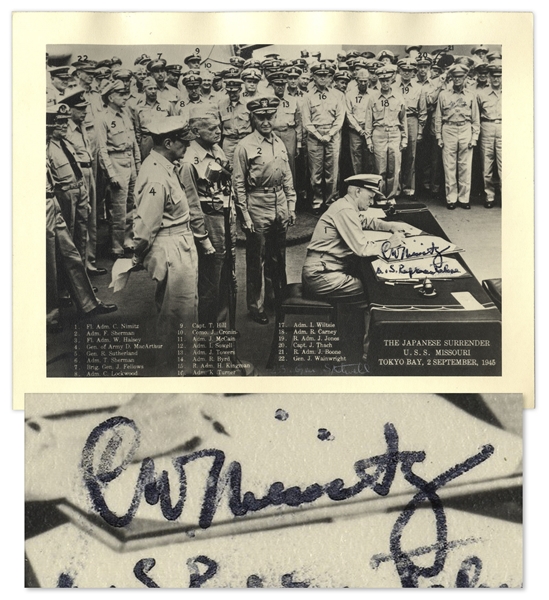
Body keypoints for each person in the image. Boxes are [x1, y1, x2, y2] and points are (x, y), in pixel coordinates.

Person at [302, 174, 419, 360]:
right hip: (321, 276)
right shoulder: (344, 211)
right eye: (370, 196)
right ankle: (369, 354)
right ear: (357, 191)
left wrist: (389, 226)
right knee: (373, 294)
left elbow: (365, 221)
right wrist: (390, 243)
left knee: (369, 282)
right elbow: (362, 248)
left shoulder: (346, 206)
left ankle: (358, 342)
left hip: (326, 269)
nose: (372, 201)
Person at [132, 116, 198, 376]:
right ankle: (176, 372)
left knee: (182, 310)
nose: (187, 146)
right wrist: (135, 255)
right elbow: (147, 224)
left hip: (178, 241)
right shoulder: (157, 175)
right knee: (177, 314)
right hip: (171, 246)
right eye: (183, 142)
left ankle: (179, 366)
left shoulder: (164, 165)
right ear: (168, 142)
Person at [233, 96, 297, 325]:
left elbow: (287, 175)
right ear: (253, 118)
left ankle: (276, 299)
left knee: (278, 256)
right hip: (257, 201)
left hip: (279, 200)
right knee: (256, 258)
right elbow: (238, 184)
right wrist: (245, 215)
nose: (266, 122)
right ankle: (256, 306)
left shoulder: (279, 142)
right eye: (261, 117)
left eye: (270, 117)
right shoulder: (244, 146)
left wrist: (291, 204)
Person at [179, 106, 237, 327]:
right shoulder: (188, 160)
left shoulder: (216, 150)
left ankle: (221, 325)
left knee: (225, 275)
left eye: (219, 127)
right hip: (208, 222)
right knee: (210, 280)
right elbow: (191, 204)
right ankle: (206, 331)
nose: (218, 132)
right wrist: (202, 238)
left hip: (224, 218)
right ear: (195, 131)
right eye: (212, 129)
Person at [62, 88, 106, 277]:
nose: (84, 113)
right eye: (80, 109)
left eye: (85, 109)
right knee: (79, 222)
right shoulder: (66, 129)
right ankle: (79, 268)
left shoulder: (82, 126)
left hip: (89, 171)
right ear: (69, 110)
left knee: (91, 219)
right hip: (77, 175)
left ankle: (89, 262)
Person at [96, 79, 141, 257]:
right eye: (121, 94)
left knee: (132, 204)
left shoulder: (125, 114)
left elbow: (133, 142)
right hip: (116, 162)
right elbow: (102, 149)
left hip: (129, 161)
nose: (124, 97)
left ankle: (128, 240)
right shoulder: (103, 118)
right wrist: (111, 173)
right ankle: (116, 247)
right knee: (118, 208)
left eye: (125, 94)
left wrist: (137, 165)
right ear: (110, 97)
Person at [46, 104, 90, 264]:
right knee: (68, 239)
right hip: (64, 196)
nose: (64, 126)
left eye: (66, 122)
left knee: (81, 235)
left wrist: (86, 195)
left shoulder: (68, 144)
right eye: (59, 123)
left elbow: (78, 171)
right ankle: (67, 281)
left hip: (80, 193)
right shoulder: (48, 149)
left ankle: (82, 276)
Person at [301, 61, 346, 214]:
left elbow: (340, 118)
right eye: (319, 75)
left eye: (326, 76)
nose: (322, 79)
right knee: (315, 174)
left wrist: (329, 134)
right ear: (313, 77)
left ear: (330, 78)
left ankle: (330, 201)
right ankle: (317, 201)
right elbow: (306, 121)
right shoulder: (307, 97)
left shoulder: (337, 95)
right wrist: (320, 135)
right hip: (315, 137)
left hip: (332, 135)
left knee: (332, 173)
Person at [435, 63, 480, 209]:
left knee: (465, 166)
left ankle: (464, 199)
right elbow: (438, 117)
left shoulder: (471, 95)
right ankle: (451, 199)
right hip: (449, 129)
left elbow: (475, 119)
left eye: (461, 77)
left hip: (465, 129)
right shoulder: (444, 95)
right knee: (449, 165)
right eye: (455, 77)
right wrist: (439, 137)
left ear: (466, 77)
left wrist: (474, 137)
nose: (458, 80)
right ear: (451, 78)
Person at [365, 66, 408, 200]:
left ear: (392, 80)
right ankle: (381, 197)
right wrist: (368, 140)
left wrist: (404, 138)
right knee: (380, 168)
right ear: (379, 80)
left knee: (394, 169)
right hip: (379, 134)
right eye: (382, 80)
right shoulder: (373, 98)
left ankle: (391, 197)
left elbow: (403, 119)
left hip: (394, 134)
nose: (385, 83)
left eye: (387, 80)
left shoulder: (399, 97)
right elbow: (368, 120)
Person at [397, 58, 427, 199]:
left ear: (413, 72)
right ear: (399, 71)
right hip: (396, 121)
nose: (406, 73)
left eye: (409, 71)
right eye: (404, 70)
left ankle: (408, 188)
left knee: (411, 156)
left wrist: (420, 130)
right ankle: (396, 188)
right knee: (396, 155)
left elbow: (423, 111)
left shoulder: (419, 88)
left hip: (411, 120)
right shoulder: (393, 86)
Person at [477, 61, 502, 208]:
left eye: (499, 77)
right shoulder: (482, 93)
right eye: (493, 76)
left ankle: (504, 195)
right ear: (489, 77)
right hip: (486, 125)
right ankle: (489, 196)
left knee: (503, 164)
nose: (496, 79)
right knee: (487, 164)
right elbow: (477, 113)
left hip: (503, 126)